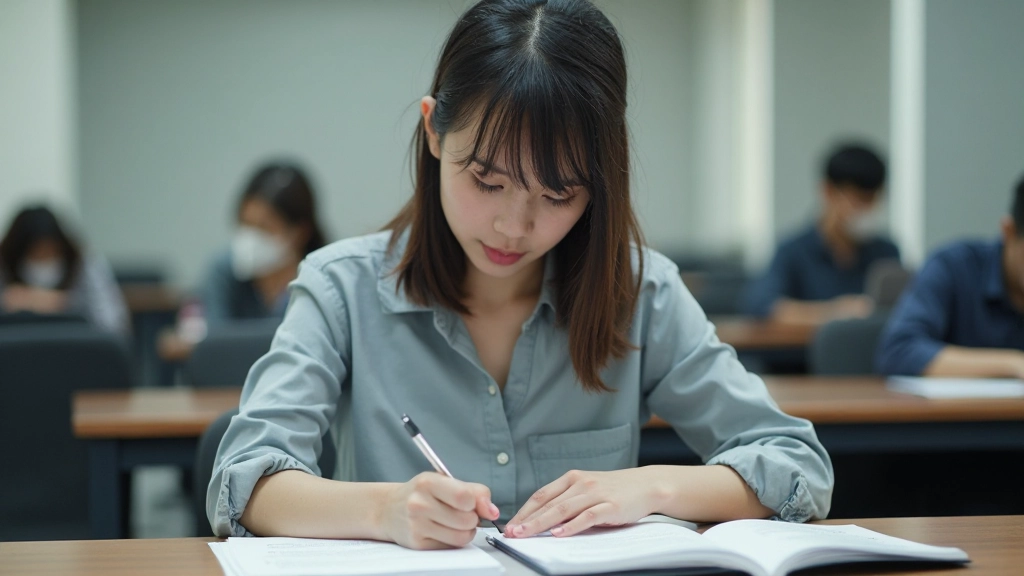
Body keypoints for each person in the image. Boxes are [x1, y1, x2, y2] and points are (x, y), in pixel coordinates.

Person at [208, 0, 832, 549]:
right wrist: (386, 509)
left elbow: (796, 465)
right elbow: (245, 480)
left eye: (558, 195)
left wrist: (651, 488)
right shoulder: (340, 288)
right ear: (433, 129)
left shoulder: (641, 292)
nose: (514, 225)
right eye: (487, 181)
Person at [877, 174, 1024, 377]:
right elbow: (899, 351)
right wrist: (1013, 364)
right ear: (1009, 231)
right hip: (954, 408)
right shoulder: (954, 266)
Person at [742, 144, 901, 325]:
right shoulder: (793, 251)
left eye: (873, 199)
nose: (867, 209)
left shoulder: (886, 252)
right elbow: (761, 306)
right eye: (859, 199)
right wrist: (835, 311)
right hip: (805, 352)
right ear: (828, 192)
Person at [200, 162, 327, 325]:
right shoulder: (223, 272)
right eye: (245, 224)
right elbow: (216, 341)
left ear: (300, 232)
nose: (250, 237)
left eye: (264, 227)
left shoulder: (321, 280)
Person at [0, 205, 129, 336]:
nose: (43, 260)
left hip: (78, 348)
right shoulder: (3, 265)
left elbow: (113, 322)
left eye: (49, 253)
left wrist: (66, 303)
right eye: (36, 255)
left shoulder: (84, 264)